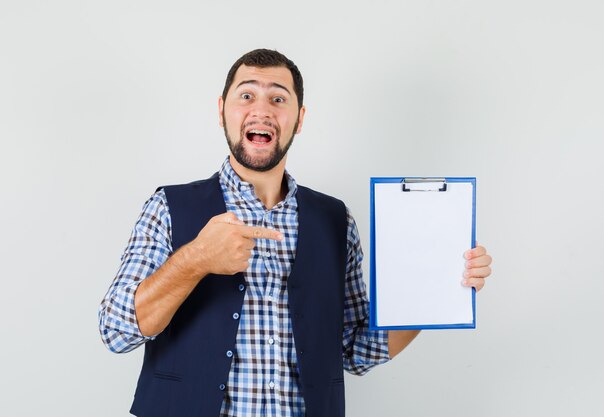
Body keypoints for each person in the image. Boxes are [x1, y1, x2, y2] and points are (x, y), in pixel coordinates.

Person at [98, 48, 493, 417]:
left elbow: (357, 351)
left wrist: (438, 291)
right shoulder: (168, 206)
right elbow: (116, 330)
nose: (262, 110)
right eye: (246, 95)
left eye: (278, 98)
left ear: (300, 118)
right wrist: (195, 259)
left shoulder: (335, 219)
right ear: (222, 111)